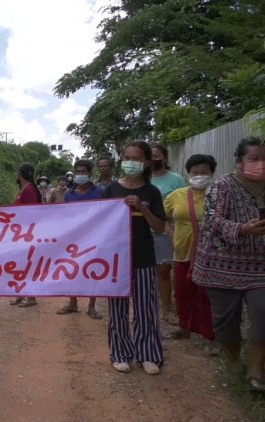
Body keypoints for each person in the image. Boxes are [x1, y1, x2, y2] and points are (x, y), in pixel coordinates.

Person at [192, 137, 265, 393]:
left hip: (261, 269)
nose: (261, 164)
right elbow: (212, 223)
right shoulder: (222, 186)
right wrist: (242, 229)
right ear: (239, 162)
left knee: (262, 314)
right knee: (226, 324)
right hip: (221, 267)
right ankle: (233, 363)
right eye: (254, 158)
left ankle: (257, 371)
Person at [103, 141, 166, 375]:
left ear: (146, 163)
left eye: (136, 158)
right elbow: (99, 223)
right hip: (116, 259)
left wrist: (142, 207)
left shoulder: (152, 192)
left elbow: (159, 227)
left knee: (146, 308)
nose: (130, 162)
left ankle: (148, 354)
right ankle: (120, 353)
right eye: (127, 157)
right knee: (117, 309)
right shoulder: (111, 189)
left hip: (143, 257)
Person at [162, 154, 217, 342]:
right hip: (183, 251)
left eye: (204, 172)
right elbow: (163, 217)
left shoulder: (219, 194)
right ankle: (184, 326)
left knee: (208, 294)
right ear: (188, 174)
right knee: (183, 290)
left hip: (212, 254)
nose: (199, 175)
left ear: (212, 173)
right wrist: (170, 234)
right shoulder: (176, 196)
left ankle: (210, 333)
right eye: (195, 172)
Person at [56, 159, 104, 319]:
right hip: (74, 237)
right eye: (78, 172)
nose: (80, 174)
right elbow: (65, 214)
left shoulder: (99, 192)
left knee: (93, 269)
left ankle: (92, 306)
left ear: (90, 173)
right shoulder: (69, 193)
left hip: (94, 236)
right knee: (72, 268)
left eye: (84, 172)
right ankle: (72, 302)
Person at [151, 143, 186, 325]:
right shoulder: (141, 178)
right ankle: (146, 306)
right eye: (150, 156)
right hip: (140, 232)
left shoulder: (176, 180)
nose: (153, 159)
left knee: (164, 271)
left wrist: (173, 232)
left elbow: (182, 208)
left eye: (157, 155)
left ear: (165, 158)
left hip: (166, 231)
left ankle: (166, 309)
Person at [11, 163, 41, 307]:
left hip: (27, 234)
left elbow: (32, 213)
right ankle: (21, 293)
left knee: (27, 264)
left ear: (20, 173)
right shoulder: (23, 189)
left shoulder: (29, 189)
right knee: (20, 264)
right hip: (20, 233)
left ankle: (31, 296)